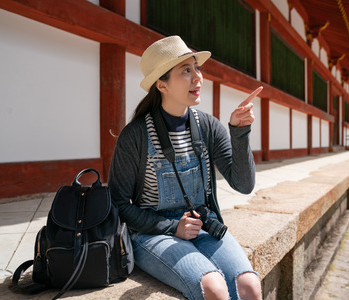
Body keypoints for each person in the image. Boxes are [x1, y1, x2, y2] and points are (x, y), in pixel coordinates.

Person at [108, 35, 262, 300]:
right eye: (186, 71)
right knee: (213, 287)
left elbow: (244, 184)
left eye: (197, 68)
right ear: (162, 85)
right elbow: (119, 204)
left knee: (249, 286)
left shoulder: (208, 126)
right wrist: (171, 227)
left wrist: (239, 131)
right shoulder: (135, 136)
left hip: (203, 224)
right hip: (151, 233)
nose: (198, 78)